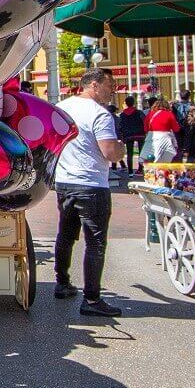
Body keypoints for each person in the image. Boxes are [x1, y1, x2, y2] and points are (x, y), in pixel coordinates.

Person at [54, 68, 125, 317]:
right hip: (92, 184)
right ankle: (92, 299)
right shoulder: (100, 115)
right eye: (109, 85)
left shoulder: (62, 108)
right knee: (95, 242)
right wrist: (121, 150)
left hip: (65, 181)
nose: (112, 90)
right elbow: (109, 152)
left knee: (65, 234)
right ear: (93, 85)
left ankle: (62, 283)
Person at [143, 96, 180, 164]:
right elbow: (176, 129)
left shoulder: (150, 114)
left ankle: (150, 172)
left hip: (151, 137)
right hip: (164, 137)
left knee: (149, 157)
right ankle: (162, 171)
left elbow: (145, 128)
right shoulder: (169, 114)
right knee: (169, 154)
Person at [116, 96, 146, 176]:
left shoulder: (122, 114)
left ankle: (130, 172)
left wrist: (122, 134)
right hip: (140, 134)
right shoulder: (139, 112)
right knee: (141, 152)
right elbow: (145, 121)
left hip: (128, 135)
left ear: (126, 103)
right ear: (134, 103)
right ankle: (140, 169)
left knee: (129, 153)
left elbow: (120, 125)